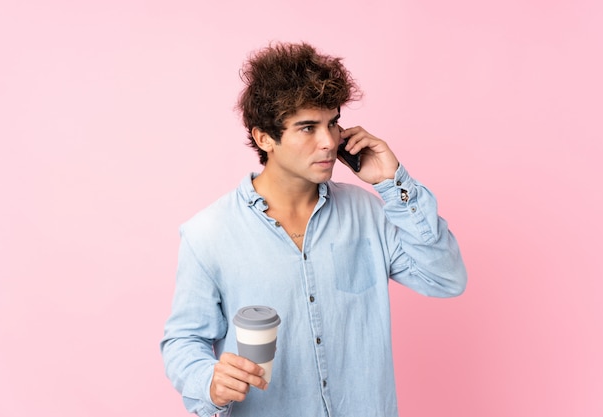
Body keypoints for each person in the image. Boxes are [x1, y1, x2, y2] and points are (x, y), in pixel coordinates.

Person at [160, 42, 467, 417]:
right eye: (308, 127)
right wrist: (209, 381)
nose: (329, 142)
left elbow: (446, 279)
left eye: (333, 123)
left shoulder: (367, 212)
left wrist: (393, 182)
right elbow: (184, 340)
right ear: (264, 138)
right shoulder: (208, 233)